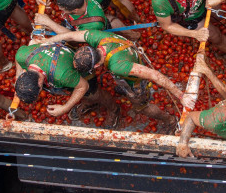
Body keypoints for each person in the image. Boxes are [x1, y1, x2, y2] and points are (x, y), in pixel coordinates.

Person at [41, 29, 194, 132]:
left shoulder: (117, 66)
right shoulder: (99, 38)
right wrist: (48, 42)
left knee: (141, 108)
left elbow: (154, 75)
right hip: (128, 55)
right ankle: (124, 88)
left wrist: (181, 96)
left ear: (96, 65)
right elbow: (71, 36)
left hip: (134, 81)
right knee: (122, 83)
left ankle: (170, 120)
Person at [14, 42, 90, 118]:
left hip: (74, 61)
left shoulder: (62, 76)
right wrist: (18, 76)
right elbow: (18, 59)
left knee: (91, 93)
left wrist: (65, 108)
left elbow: (83, 86)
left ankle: (91, 103)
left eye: (39, 91)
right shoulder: (21, 55)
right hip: (56, 50)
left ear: (40, 83)